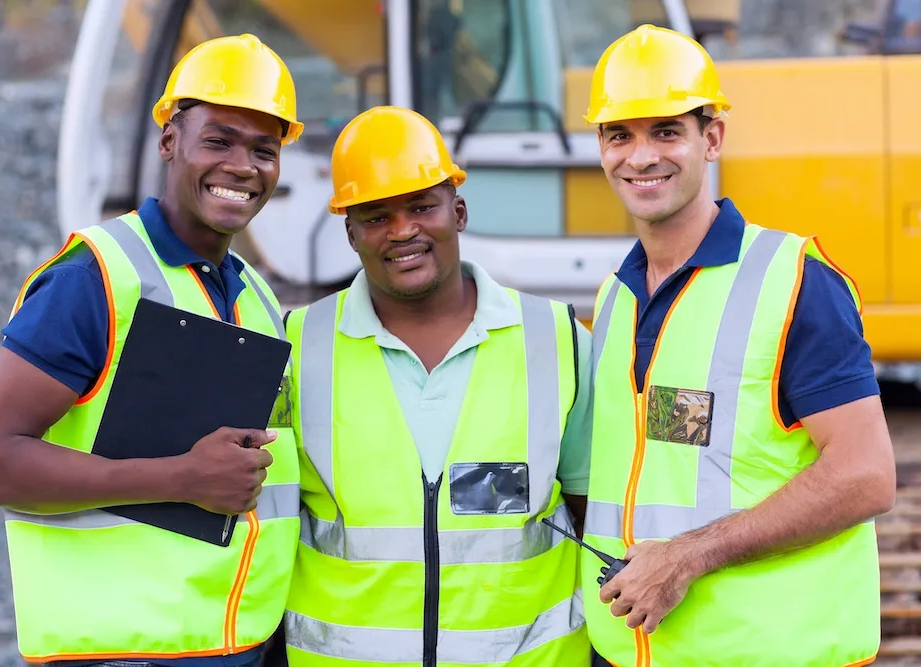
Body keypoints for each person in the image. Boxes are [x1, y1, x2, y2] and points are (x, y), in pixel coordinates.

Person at [0, 34, 303, 667]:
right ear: (169, 140)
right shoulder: (96, 278)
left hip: (238, 648)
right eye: (218, 140)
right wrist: (180, 478)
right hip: (123, 654)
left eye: (264, 149)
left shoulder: (255, 293)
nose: (243, 166)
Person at [579, 24, 897, 667]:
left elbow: (866, 475)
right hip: (632, 655)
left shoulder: (793, 281)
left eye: (667, 131)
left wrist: (689, 555)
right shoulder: (616, 298)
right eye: (621, 135)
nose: (641, 157)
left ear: (712, 138)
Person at [280, 106, 594, 666]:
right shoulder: (297, 348)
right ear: (350, 233)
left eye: (422, 206)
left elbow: (595, 510)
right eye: (376, 217)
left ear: (460, 211)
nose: (403, 231)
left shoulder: (558, 340)